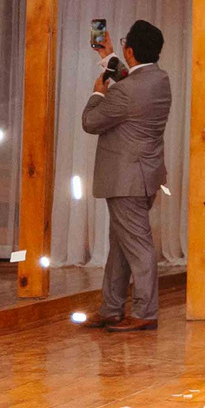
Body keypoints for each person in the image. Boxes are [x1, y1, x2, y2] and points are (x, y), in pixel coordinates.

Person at [83, 18, 172, 332]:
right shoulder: (159, 80)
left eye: (123, 44)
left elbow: (91, 122)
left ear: (131, 50)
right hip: (145, 175)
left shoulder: (124, 92)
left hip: (125, 178)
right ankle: (111, 308)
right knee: (121, 244)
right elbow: (130, 77)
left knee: (137, 246)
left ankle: (145, 312)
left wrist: (97, 93)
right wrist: (107, 57)